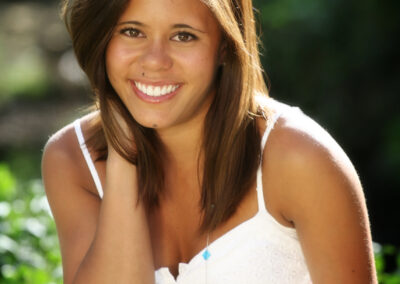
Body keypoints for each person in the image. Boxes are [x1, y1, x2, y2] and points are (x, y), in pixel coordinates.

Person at [41, 0, 377, 283]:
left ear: (224, 47)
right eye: (132, 31)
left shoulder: (300, 157)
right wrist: (124, 155)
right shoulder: (72, 158)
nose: (155, 60)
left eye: (183, 36)